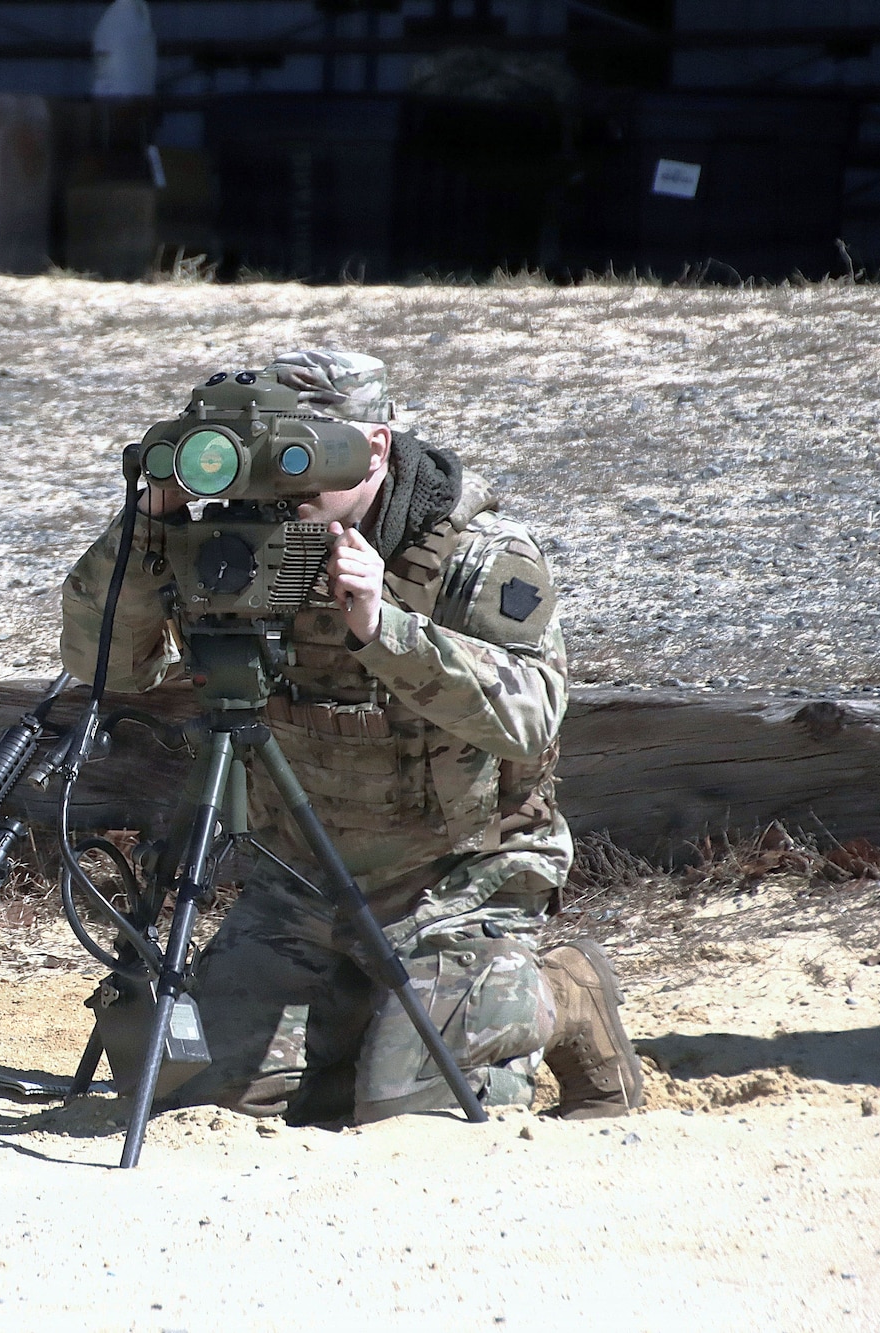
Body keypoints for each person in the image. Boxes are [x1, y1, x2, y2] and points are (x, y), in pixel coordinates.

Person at [59, 349, 642, 1123]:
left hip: (453, 883)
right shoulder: (233, 543)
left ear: (374, 447)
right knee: (207, 1096)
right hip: (296, 883)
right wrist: (143, 532)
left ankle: (561, 987)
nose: (281, 483)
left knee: (409, 1112)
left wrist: (386, 628)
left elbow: (531, 715)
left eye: (302, 453)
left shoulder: (474, 557)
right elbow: (107, 664)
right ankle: (356, 1020)